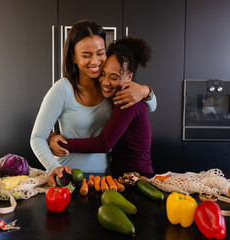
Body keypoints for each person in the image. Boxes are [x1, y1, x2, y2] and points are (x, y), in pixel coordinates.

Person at [30, 20, 156, 187]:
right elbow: (37, 137)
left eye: (100, 53)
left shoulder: (109, 87)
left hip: (105, 176)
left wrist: (146, 91)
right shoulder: (62, 89)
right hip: (68, 174)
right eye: (86, 55)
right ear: (73, 56)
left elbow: (150, 107)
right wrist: (54, 163)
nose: (95, 61)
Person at [51, 36, 154, 176]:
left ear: (129, 77)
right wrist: (56, 135)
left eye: (113, 77)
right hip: (119, 174)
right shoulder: (113, 96)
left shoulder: (127, 99)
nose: (105, 82)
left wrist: (61, 143)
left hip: (137, 176)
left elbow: (105, 143)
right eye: (103, 74)